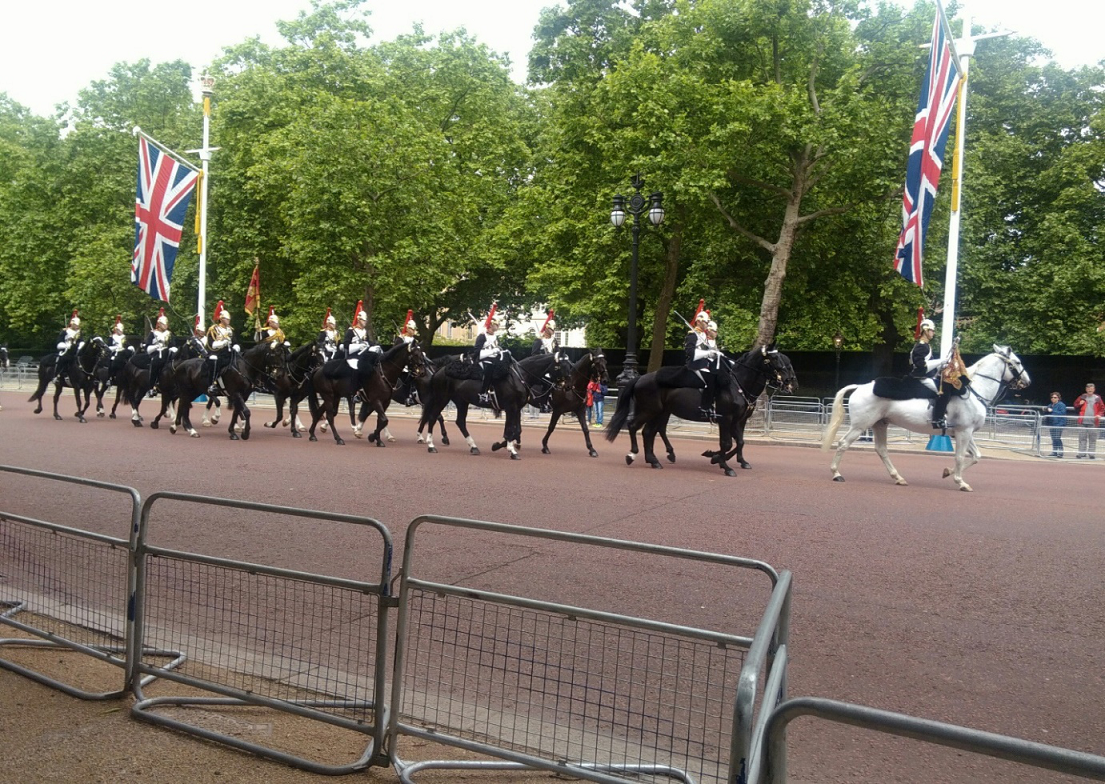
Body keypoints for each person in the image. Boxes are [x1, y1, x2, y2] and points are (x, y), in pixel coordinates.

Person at [909, 318, 950, 429]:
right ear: (926, 330)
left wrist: (942, 366)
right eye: (932, 330)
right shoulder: (921, 346)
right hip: (921, 378)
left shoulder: (926, 346)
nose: (933, 333)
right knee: (942, 393)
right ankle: (937, 419)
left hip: (926, 377)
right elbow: (921, 366)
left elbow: (930, 366)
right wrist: (941, 361)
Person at [684, 304, 718, 418]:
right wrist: (708, 353)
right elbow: (691, 353)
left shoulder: (703, 336)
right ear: (699, 321)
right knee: (710, 383)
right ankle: (704, 408)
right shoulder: (693, 335)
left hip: (704, 366)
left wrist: (714, 354)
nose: (707, 325)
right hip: (695, 366)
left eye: (708, 323)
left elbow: (708, 355)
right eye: (706, 322)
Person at [474, 306, 507, 406]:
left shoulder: (495, 337)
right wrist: (493, 351)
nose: (497, 326)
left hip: (494, 359)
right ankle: (483, 393)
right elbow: (477, 352)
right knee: (489, 370)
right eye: (496, 325)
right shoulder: (482, 336)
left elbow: (497, 348)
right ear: (491, 325)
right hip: (483, 360)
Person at [204, 301, 236, 395]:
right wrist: (223, 342)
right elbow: (211, 344)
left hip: (229, 353)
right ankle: (212, 384)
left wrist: (236, 346)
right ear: (221, 319)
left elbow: (235, 341)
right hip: (218, 353)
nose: (228, 321)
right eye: (227, 319)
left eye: (229, 319)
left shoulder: (230, 330)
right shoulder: (213, 329)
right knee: (216, 362)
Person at [343, 300, 382, 373]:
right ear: (359, 320)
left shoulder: (364, 331)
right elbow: (346, 345)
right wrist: (358, 346)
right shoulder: (351, 331)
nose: (365, 322)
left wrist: (372, 344)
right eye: (363, 320)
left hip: (364, 356)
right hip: (353, 357)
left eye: (365, 320)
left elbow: (367, 341)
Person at [1073, 382, 1103, 459]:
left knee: (1092, 439)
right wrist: (1080, 403)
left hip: (1093, 422)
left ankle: (1091, 454)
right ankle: (1081, 453)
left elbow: (1102, 408)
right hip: (1082, 421)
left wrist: (1099, 414)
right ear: (1086, 389)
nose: (1090, 390)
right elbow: (1075, 405)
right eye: (1088, 388)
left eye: (1091, 388)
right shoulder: (1082, 397)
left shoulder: (1097, 398)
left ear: (1094, 389)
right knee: (1082, 438)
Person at [145, 308, 172, 393]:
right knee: (155, 363)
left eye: (166, 324)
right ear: (159, 324)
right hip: (156, 353)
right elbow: (148, 348)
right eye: (164, 324)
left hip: (167, 353)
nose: (166, 325)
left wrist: (172, 348)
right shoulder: (153, 333)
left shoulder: (169, 334)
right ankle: (151, 386)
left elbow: (173, 344)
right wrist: (156, 346)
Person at [54, 309, 82, 383]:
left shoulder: (79, 332)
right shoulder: (65, 331)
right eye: (75, 325)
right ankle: (58, 375)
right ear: (72, 324)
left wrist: (81, 345)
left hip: (76, 349)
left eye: (78, 325)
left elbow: (81, 340)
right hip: (66, 348)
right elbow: (59, 341)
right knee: (62, 359)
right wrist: (64, 345)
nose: (77, 326)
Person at [1044, 391, 1067, 458]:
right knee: (1053, 438)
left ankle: (1060, 451)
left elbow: (1062, 413)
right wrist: (1046, 410)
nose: (1053, 399)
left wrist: (1052, 411)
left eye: (1055, 397)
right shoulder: (1050, 405)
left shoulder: (1061, 405)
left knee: (1057, 438)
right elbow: (1047, 411)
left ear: (1058, 398)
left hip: (1059, 423)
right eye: (1052, 397)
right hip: (1052, 423)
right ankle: (1054, 451)